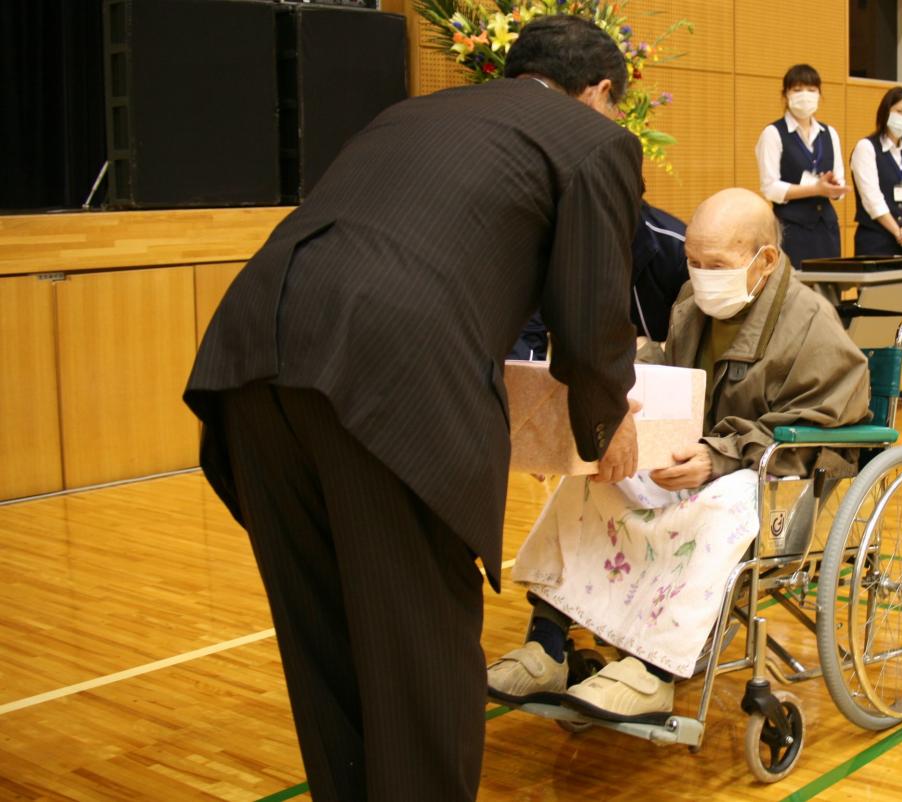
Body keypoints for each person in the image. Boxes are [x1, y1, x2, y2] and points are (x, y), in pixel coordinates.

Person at [182, 16, 644, 801]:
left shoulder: (412, 113)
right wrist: (610, 417)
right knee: (419, 663)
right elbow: (590, 313)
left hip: (250, 354)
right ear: (601, 91)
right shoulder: (589, 138)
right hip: (390, 378)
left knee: (326, 647)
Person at [487, 188, 871, 720]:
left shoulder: (812, 326)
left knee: (726, 500)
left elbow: (830, 428)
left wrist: (724, 455)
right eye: (692, 261)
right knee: (599, 472)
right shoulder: (694, 304)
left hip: (763, 480)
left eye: (717, 264)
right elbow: (678, 375)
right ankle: (549, 643)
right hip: (692, 464)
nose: (700, 274)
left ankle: (655, 670)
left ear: (765, 260)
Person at [507, 201, 687, 359]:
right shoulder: (545, 242)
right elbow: (524, 343)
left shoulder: (677, 249)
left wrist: (647, 351)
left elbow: (692, 352)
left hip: (659, 382)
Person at [755, 63, 846, 269]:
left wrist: (834, 188)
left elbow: (839, 183)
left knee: (829, 293)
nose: (805, 95)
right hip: (791, 229)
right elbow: (770, 188)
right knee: (794, 292)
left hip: (826, 227)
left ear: (819, 94)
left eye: (812, 90)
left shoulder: (829, 133)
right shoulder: (773, 133)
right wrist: (815, 189)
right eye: (797, 90)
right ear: (785, 94)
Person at [850, 86, 902, 257]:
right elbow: (872, 200)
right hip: (875, 243)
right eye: (900, 111)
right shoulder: (866, 147)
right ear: (886, 112)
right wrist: (900, 234)